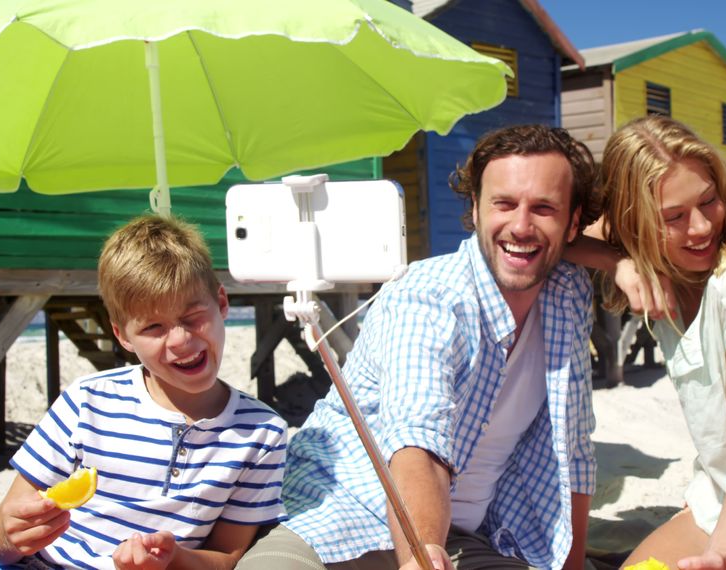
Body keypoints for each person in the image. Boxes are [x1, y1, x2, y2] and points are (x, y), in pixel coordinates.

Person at [238, 124, 601, 570]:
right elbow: (418, 438)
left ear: (573, 222)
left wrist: (573, 563)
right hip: (343, 508)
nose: (521, 226)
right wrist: (423, 554)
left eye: (544, 208)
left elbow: (575, 452)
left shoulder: (568, 294)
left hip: (478, 535)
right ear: (475, 206)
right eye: (503, 204)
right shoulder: (428, 297)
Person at [0, 215, 316, 569]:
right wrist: (6, 535)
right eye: (154, 327)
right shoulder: (86, 402)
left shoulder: (261, 432)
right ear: (122, 335)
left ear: (222, 302)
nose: (181, 340)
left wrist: (173, 559)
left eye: (193, 316)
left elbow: (226, 557)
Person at [564, 115, 726, 568]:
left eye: (709, 201)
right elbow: (554, 235)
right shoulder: (668, 272)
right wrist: (616, 261)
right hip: (716, 496)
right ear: (631, 223)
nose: (699, 228)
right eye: (672, 217)